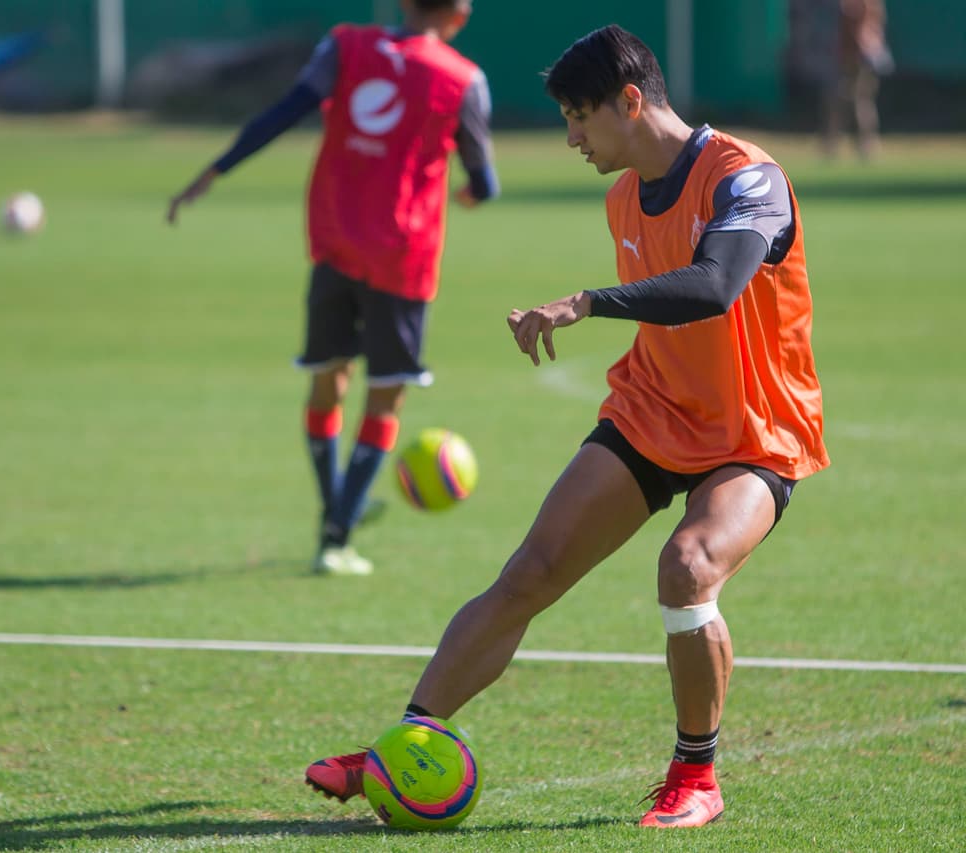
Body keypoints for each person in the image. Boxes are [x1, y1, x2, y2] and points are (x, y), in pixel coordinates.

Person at [304, 24, 829, 828]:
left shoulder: (745, 177)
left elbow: (716, 285)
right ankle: (400, 745)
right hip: (653, 411)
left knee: (687, 566)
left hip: (756, 431)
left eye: (579, 118)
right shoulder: (624, 195)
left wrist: (586, 302)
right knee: (529, 573)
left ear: (630, 99)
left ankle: (697, 777)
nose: (572, 137)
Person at [167, 0, 499, 577]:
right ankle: (338, 532)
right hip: (402, 257)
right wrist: (472, 196)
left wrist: (215, 170)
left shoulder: (344, 47)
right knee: (386, 394)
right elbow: (485, 181)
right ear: (460, 17)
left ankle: (334, 512)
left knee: (328, 382)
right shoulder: (463, 79)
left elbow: (284, 112)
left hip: (335, 246)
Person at [822, 0, 893, 159]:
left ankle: (864, 144)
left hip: (859, 57)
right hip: (853, 58)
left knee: (857, 103)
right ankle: (836, 143)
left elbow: (858, 23)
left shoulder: (862, 5)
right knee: (844, 102)